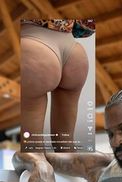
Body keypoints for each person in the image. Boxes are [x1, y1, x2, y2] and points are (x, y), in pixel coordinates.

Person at [21, 19, 94, 152]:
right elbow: (87, 29)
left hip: (34, 45)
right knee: (66, 147)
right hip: (73, 51)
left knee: (33, 149)